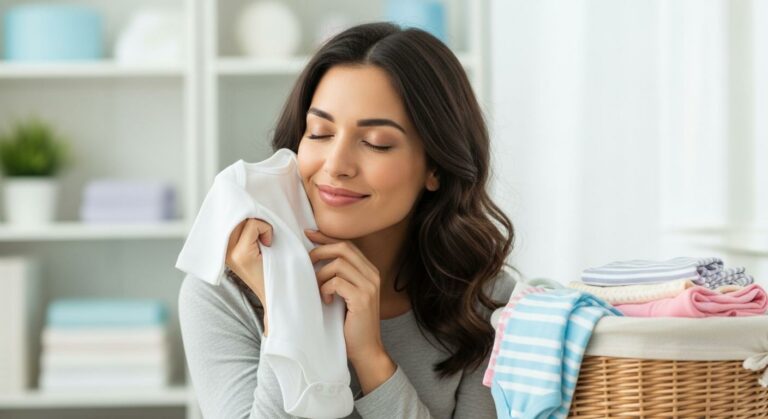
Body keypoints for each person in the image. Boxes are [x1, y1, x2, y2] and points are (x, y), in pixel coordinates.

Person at [178, 21, 519, 418]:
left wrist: (372, 359)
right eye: (319, 133)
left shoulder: (485, 299)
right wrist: (287, 313)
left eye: (376, 143)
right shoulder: (222, 294)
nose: (336, 165)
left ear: (436, 167)